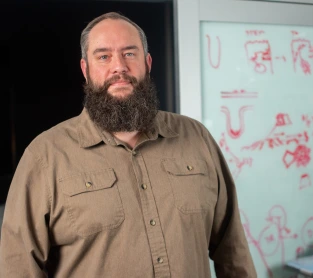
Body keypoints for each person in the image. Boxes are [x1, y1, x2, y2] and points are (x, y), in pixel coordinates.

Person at [0, 12, 256, 277]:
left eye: (129, 54)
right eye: (103, 56)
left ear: (147, 63)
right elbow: (18, 267)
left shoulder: (196, 138)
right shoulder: (45, 156)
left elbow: (232, 249)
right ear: (86, 70)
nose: (119, 67)